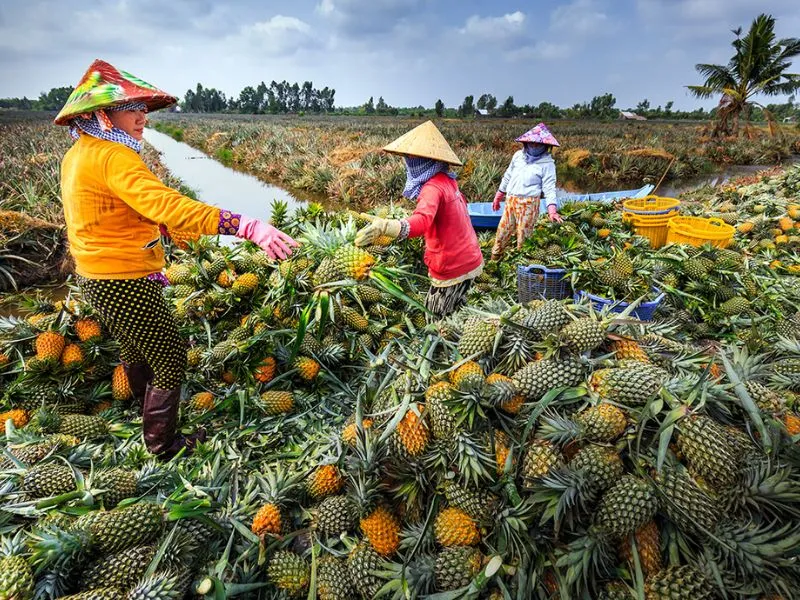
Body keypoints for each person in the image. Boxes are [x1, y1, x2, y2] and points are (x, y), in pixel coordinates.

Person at [54, 59, 298, 459]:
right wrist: (246, 226)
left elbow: (106, 209)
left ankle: (141, 411)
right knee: (170, 357)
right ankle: (163, 446)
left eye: (144, 109)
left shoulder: (81, 153)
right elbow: (167, 203)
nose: (142, 117)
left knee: (135, 349)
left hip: (94, 276)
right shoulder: (115, 158)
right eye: (132, 108)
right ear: (102, 114)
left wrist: (160, 230)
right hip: (124, 278)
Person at [354, 121, 483, 317]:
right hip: (470, 257)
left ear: (425, 159)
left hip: (452, 265)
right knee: (457, 309)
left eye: (411, 157)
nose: (408, 161)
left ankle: (443, 346)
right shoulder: (448, 178)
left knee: (435, 316)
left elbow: (422, 221)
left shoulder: (432, 187)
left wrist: (385, 226)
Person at [490, 123, 563, 260]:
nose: (534, 146)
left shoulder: (547, 164)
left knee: (524, 236)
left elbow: (549, 187)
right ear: (526, 142)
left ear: (545, 146)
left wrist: (552, 210)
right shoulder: (518, 156)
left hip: (528, 204)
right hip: (510, 200)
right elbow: (508, 175)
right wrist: (499, 194)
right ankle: (495, 258)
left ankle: (520, 265)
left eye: (538, 144)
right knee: (502, 231)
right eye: (531, 143)